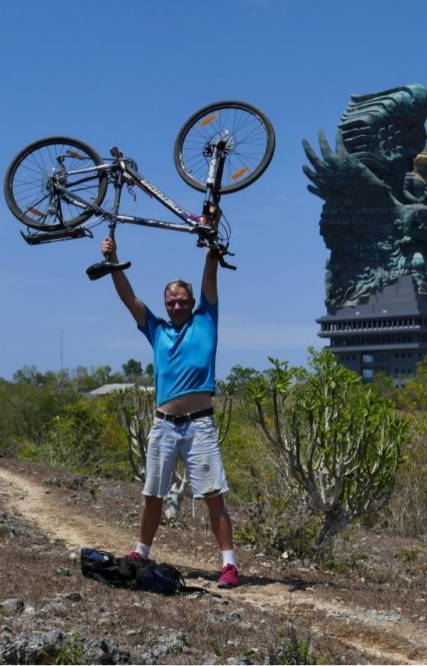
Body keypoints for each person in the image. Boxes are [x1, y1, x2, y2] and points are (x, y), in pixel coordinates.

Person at [100, 235, 239, 589]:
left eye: (181, 301)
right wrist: (113, 259)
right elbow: (128, 298)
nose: (176, 306)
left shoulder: (206, 320)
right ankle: (141, 551)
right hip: (164, 426)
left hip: (199, 426)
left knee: (213, 495)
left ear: (192, 302)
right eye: (171, 302)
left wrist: (211, 250)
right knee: (152, 494)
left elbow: (210, 277)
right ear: (165, 305)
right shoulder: (156, 330)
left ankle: (229, 564)